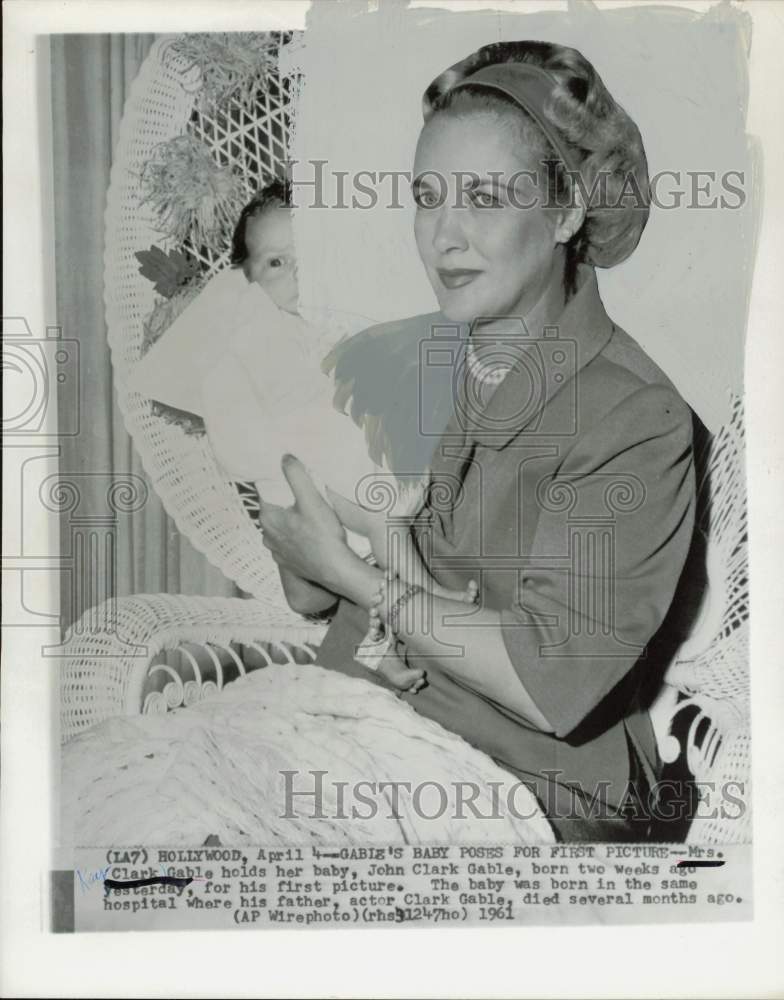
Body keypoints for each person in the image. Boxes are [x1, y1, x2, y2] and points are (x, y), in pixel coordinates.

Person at [259, 40, 698, 841]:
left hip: (533, 789)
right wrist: (307, 541)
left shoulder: (638, 421)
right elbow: (308, 596)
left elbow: (544, 683)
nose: (444, 236)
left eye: (485, 197)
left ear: (567, 212)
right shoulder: (423, 360)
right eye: (428, 197)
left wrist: (355, 576)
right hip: (363, 723)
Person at [130, 181, 477, 693]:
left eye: (306, 256)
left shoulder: (343, 318)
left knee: (384, 530)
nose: (296, 275)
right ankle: (434, 615)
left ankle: (387, 651)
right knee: (385, 517)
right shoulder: (256, 335)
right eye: (275, 263)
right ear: (245, 282)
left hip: (342, 485)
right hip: (304, 482)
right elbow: (241, 427)